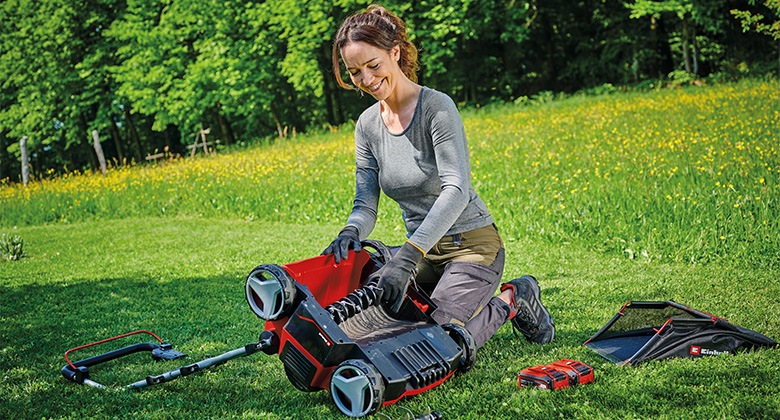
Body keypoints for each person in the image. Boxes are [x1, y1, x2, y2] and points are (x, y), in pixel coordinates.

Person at [322, 4, 554, 349]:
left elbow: (456, 190)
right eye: (355, 72)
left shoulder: (436, 108)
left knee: (436, 344)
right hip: (424, 252)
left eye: (373, 66)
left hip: (471, 247)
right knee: (376, 319)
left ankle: (514, 298)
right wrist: (351, 230)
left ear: (395, 53)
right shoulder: (367, 126)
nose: (366, 80)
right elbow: (365, 202)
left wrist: (409, 256)